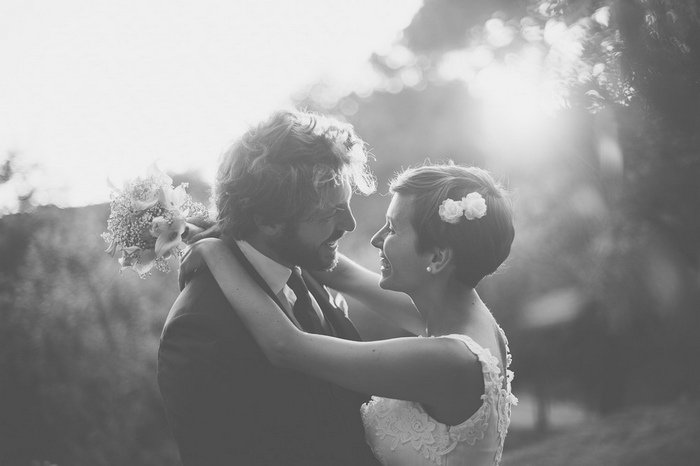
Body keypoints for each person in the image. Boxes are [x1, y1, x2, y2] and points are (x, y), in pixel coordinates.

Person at [181, 162, 519, 466]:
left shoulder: (448, 360)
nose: (375, 239)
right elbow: (341, 274)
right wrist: (247, 223)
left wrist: (213, 252)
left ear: (438, 257)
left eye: (392, 229)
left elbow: (284, 345)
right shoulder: (463, 317)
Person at [157, 109, 384, 465]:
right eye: (330, 212)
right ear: (267, 218)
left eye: (348, 205)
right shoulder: (199, 330)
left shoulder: (304, 268)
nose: (351, 224)